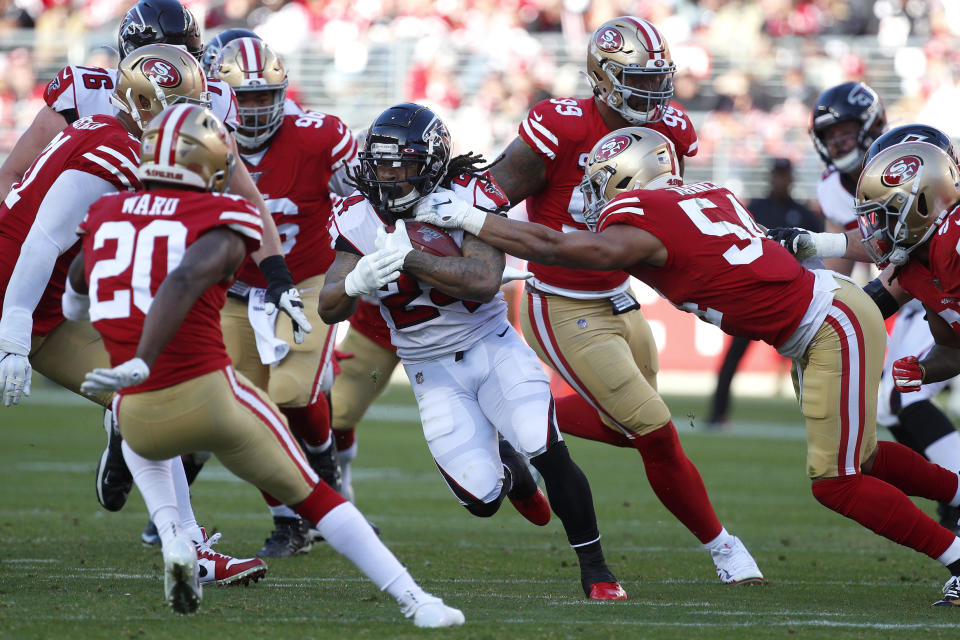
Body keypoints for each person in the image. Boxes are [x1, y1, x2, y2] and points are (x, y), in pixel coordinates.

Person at [413, 125, 960, 606]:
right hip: (828, 315)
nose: (590, 193)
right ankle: (956, 491)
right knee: (859, 454)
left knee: (836, 482)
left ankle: (957, 557)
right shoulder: (708, 192)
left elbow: (563, 248)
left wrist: (472, 218)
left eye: (601, 179)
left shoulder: (643, 215)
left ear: (629, 180)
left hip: (826, 324)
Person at [69, 103, 464, 626]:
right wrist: (147, 355)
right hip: (210, 398)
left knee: (145, 441)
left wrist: (128, 352)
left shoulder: (104, 216)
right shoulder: (220, 216)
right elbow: (187, 278)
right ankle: (418, 601)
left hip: (136, 412)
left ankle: (176, 541)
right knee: (318, 498)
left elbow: (76, 291)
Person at [0, 0, 313, 517]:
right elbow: (22, 188)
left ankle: (183, 540)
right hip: (62, 262)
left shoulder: (202, 107)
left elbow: (244, 197)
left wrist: (278, 275)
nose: (165, 83)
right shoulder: (93, 106)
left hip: (109, 266)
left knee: (157, 390)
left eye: (178, 59)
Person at [485, 16, 763, 585]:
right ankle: (725, 549)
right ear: (603, 78)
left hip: (620, 296)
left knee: (624, 428)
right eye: (638, 80)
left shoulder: (671, 132)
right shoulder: (558, 125)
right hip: (560, 301)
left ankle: (509, 425)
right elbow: (489, 193)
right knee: (656, 431)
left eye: (658, 79)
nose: (653, 94)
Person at [319, 102, 627, 601]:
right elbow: (329, 307)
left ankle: (597, 570)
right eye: (382, 165)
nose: (391, 177)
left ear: (433, 162)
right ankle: (509, 470)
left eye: (404, 165)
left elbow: (484, 282)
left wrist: (411, 259)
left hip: (491, 346)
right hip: (428, 370)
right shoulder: (355, 214)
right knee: (482, 500)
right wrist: (354, 281)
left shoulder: (465, 195)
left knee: (545, 444)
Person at [0, 44, 266, 587]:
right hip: (15, 294)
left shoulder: (120, 137)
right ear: (147, 102)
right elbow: (40, 244)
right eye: (178, 107)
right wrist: (12, 337)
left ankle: (189, 549)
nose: (188, 120)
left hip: (47, 308)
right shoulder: (110, 147)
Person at [210, 36, 358, 556]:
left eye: (262, 97)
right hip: (235, 290)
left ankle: (324, 464)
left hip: (308, 283)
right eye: (242, 98)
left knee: (292, 392)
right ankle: (288, 520)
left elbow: (362, 198)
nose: (252, 110)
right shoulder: (199, 140)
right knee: (240, 414)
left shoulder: (320, 136)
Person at [774, 122, 960, 533]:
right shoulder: (914, 267)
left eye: (886, 214)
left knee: (898, 405)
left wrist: (816, 243)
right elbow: (951, 347)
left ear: (924, 203)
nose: (875, 230)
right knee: (895, 403)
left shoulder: (952, 240)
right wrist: (927, 369)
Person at [706, 158, 821, 427]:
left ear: (791, 178)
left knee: (813, 358)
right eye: (777, 175)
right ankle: (716, 413)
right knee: (733, 357)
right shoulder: (755, 209)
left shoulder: (803, 214)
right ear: (772, 177)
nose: (781, 180)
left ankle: (820, 418)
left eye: (785, 175)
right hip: (754, 298)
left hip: (793, 299)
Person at [809, 81, 886, 276]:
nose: (837, 142)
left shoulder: (904, 161)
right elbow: (835, 277)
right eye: (829, 135)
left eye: (845, 132)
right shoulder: (833, 187)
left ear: (874, 123)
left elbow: (899, 244)